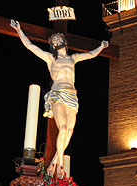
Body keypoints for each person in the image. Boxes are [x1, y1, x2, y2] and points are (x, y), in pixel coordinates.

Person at [10, 19, 109, 177]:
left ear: (64, 42)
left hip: (72, 95)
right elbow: (30, 46)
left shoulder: (73, 59)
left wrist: (102, 47)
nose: (56, 41)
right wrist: (18, 30)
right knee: (62, 128)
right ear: (52, 45)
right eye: (54, 40)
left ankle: (56, 160)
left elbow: (90, 55)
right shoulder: (50, 59)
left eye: (58, 39)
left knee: (69, 130)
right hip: (57, 94)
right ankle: (61, 164)